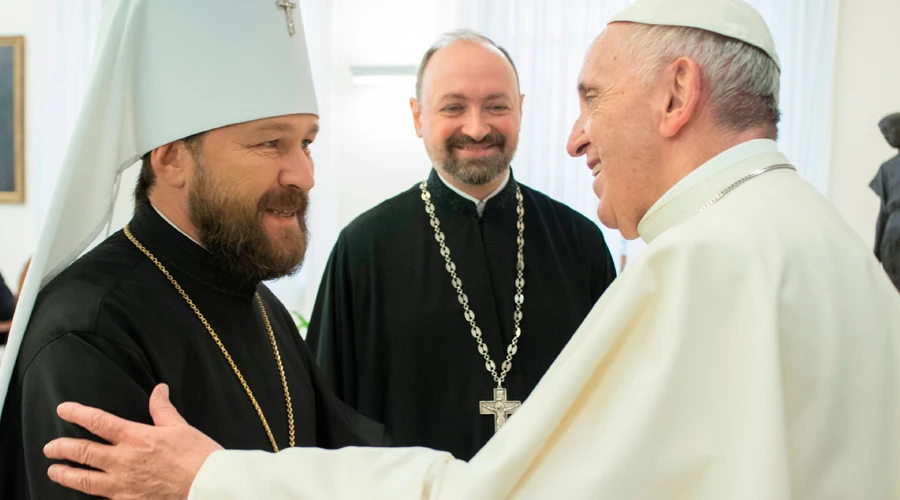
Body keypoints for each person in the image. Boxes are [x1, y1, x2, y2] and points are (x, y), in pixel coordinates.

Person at [42, 0, 900, 498]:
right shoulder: (825, 248)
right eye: (271, 143)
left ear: (678, 93)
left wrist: (211, 479)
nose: (575, 136)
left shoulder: (703, 264)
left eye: (592, 96)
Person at [0, 1, 383, 498]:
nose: (305, 175)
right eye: (270, 143)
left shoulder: (261, 304)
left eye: (306, 141)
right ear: (171, 158)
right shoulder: (88, 333)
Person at [306, 30, 616, 461]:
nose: (477, 127)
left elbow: (615, 401)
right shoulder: (363, 251)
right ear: (418, 117)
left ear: (520, 111)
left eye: (497, 106)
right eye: (453, 107)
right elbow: (331, 416)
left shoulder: (578, 243)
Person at [871, 112, 900, 291]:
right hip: (892, 237)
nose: (887, 136)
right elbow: (883, 212)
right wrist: (876, 251)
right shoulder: (886, 168)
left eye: (890, 130)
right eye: (884, 133)